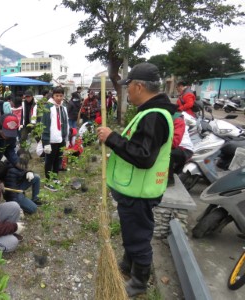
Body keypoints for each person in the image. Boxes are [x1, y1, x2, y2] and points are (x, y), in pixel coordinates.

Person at [96, 62, 176, 297]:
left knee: (138, 238)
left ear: (139, 86)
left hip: (139, 193)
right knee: (133, 233)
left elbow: (143, 157)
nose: (126, 90)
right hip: (135, 190)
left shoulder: (154, 116)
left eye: (128, 85)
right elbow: (139, 147)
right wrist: (115, 140)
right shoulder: (150, 113)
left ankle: (139, 282)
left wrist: (112, 138)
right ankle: (128, 265)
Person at [41, 86, 69, 191]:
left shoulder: (63, 107)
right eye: (57, 95)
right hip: (51, 140)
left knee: (58, 160)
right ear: (53, 96)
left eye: (61, 96)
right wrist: (46, 142)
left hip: (61, 138)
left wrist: (66, 138)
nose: (59, 98)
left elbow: (66, 123)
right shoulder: (48, 107)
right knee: (50, 161)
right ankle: (48, 181)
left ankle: (55, 178)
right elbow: (45, 125)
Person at [168, 110, 194, 185]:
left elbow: (174, 142)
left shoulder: (177, 119)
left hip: (184, 149)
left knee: (167, 154)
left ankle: (169, 180)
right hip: (176, 147)